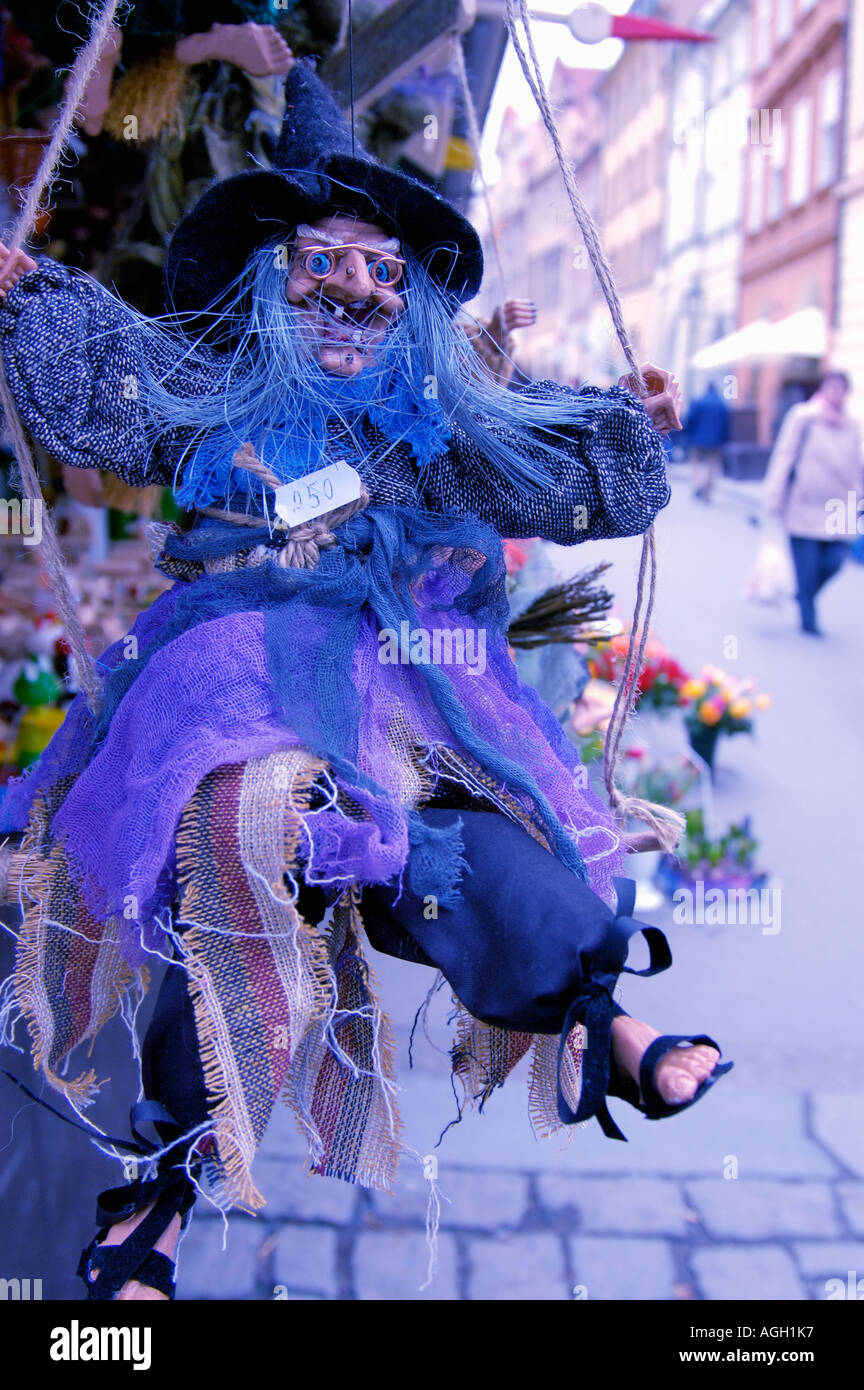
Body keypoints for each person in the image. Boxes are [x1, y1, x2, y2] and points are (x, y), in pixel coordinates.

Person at [0, 58, 730, 1302]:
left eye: (386, 270)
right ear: (270, 279)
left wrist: (625, 419)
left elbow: (543, 468)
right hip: (235, 686)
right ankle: (167, 1184)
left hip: (408, 684)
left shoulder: (439, 422)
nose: (354, 286)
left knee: (484, 849)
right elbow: (115, 385)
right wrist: (31, 299)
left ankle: (601, 1019)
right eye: (323, 261)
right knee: (220, 836)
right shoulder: (214, 398)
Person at [763, 370, 863, 635]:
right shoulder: (804, 417)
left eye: (841, 388)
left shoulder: (852, 425)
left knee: (835, 561)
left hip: (839, 507)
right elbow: (785, 456)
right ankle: (809, 619)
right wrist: (774, 494)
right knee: (806, 569)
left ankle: (803, 596)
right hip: (804, 505)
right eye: (832, 387)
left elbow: (857, 465)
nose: (836, 393)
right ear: (824, 388)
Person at [684, 380, 730, 501]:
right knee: (712, 466)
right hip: (715, 441)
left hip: (697, 439)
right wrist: (725, 439)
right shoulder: (721, 404)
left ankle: (697, 485)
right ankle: (706, 490)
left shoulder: (699, 401)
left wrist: (687, 434)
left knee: (695, 464)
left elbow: (691, 419)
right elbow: (726, 424)